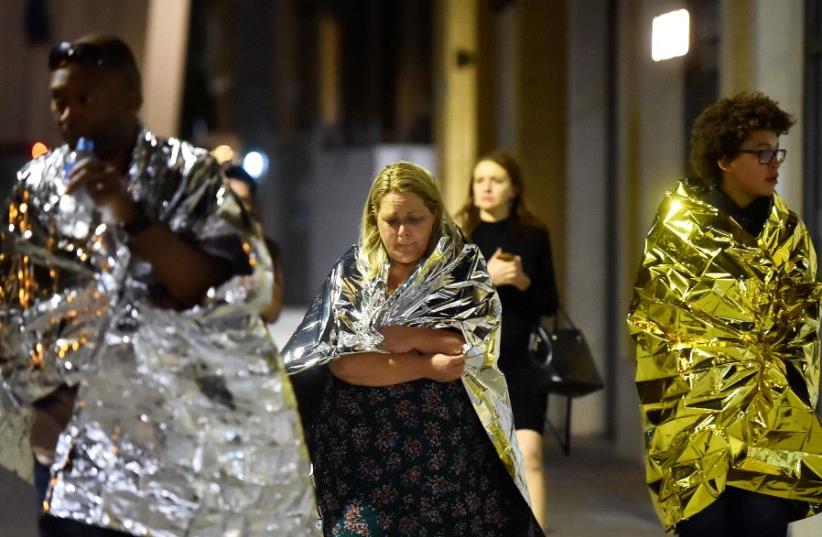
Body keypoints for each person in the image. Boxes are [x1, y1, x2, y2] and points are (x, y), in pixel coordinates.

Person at [0, 34, 317, 536]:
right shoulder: (38, 187)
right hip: (74, 440)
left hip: (178, 434)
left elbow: (233, 286)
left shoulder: (188, 175)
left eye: (85, 99)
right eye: (59, 100)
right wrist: (38, 400)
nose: (69, 116)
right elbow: (18, 310)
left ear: (132, 96)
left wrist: (131, 216)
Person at [282, 162, 543, 536]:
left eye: (414, 219)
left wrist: (403, 337)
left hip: (444, 459)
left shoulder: (461, 271)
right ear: (374, 217)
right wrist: (424, 361)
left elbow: (468, 348)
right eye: (391, 220)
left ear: (434, 214)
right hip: (359, 454)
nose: (402, 233)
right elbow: (344, 363)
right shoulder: (355, 272)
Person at [627, 91, 822, 537]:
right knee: (706, 525)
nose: (775, 162)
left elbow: (805, 321)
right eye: (762, 152)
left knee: (765, 523)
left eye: (778, 151)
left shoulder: (788, 229)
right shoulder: (681, 227)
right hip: (697, 417)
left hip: (772, 412)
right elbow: (654, 323)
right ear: (724, 159)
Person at [455, 151, 558, 530]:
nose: (485, 187)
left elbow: (550, 302)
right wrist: (487, 277)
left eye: (495, 180)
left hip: (521, 362)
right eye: (479, 179)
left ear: (513, 189)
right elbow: (444, 303)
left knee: (529, 455)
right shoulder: (460, 237)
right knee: (480, 462)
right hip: (473, 362)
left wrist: (522, 281)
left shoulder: (533, 235)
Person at [223, 163, 284, 323]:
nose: (235, 207)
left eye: (242, 200)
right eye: (229, 198)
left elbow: (273, 313)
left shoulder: (267, 249)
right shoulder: (201, 246)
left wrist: (256, 288)